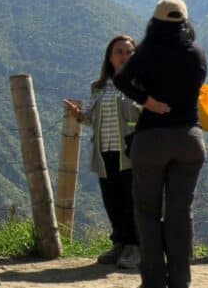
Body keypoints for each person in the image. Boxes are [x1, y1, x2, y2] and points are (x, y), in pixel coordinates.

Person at [114, 0, 207, 288]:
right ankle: (181, 281)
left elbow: (120, 79)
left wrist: (147, 101)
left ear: (155, 21)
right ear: (185, 21)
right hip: (189, 140)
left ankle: (153, 281)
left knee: (147, 213)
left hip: (151, 139)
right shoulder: (196, 54)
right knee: (181, 214)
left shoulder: (146, 53)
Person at [63, 35, 141, 269]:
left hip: (128, 150)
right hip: (103, 151)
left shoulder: (140, 83)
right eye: (119, 51)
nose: (124, 56)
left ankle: (135, 247)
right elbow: (91, 117)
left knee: (130, 200)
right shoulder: (97, 87)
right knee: (112, 200)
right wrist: (79, 115)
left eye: (129, 51)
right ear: (110, 57)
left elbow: (144, 113)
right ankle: (119, 244)